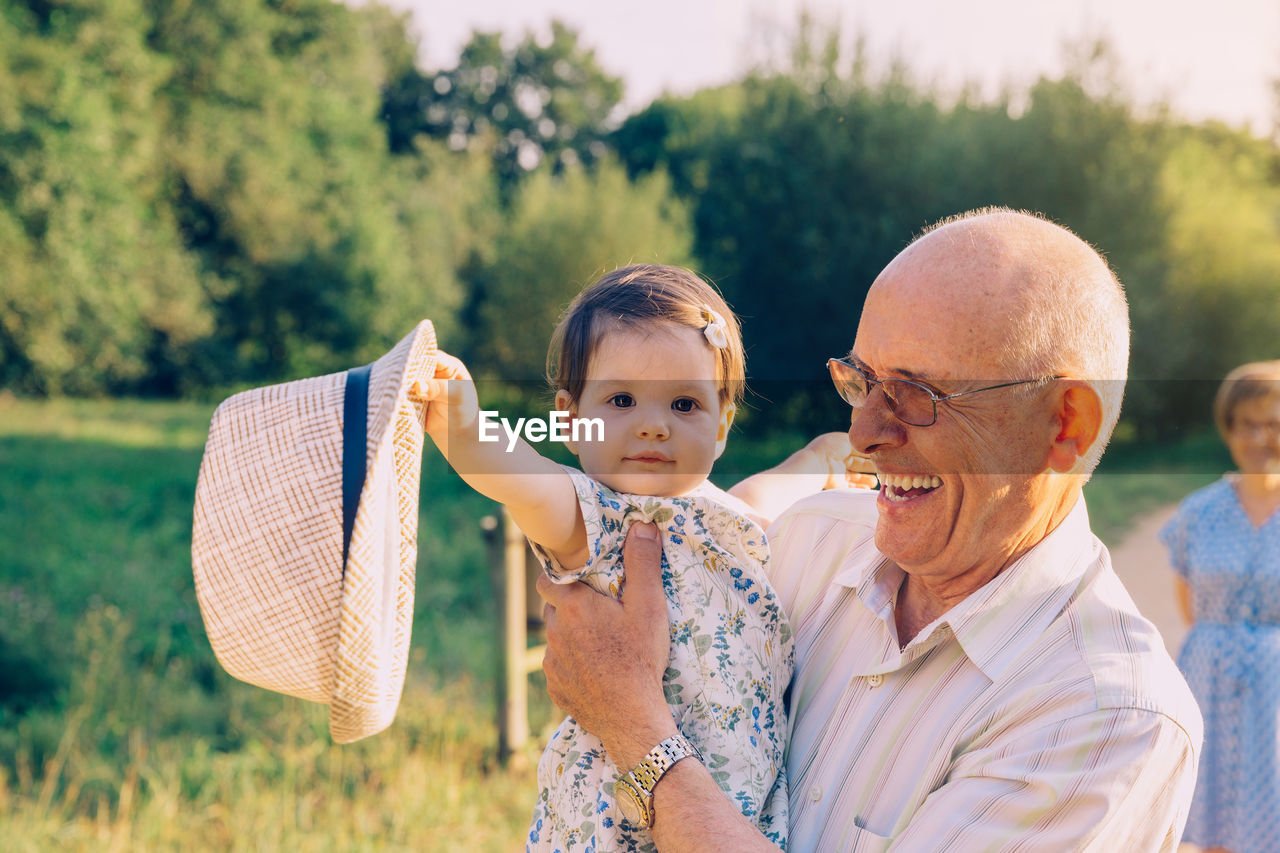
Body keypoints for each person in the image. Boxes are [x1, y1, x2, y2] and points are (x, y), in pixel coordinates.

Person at [537, 208, 1204, 851]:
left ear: (1065, 426)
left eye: (917, 394)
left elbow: (623, 689)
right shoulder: (807, 543)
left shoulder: (1105, 719)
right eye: (861, 381)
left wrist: (633, 726)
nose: (862, 433)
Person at [419, 264, 859, 852]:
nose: (653, 426)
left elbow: (795, 475)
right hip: (619, 824)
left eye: (683, 404)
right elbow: (518, 476)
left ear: (722, 424)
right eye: (622, 400)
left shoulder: (733, 518)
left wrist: (832, 455)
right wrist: (465, 425)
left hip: (730, 819)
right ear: (569, 419)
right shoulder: (593, 522)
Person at [1161, 360, 1280, 853]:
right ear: (1228, 431)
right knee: (1209, 817)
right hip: (1206, 677)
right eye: (1246, 424)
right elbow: (1189, 607)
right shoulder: (1197, 513)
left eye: (1274, 423)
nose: (1260, 438)